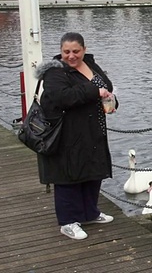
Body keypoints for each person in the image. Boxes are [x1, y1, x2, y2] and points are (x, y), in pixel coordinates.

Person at [35, 32, 118, 240]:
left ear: (84, 49)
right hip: (66, 133)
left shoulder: (91, 64)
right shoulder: (55, 72)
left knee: (92, 171)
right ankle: (67, 221)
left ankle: (89, 213)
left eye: (76, 51)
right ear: (61, 51)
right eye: (66, 52)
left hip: (93, 129)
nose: (71, 56)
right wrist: (95, 92)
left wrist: (111, 101)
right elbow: (64, 97)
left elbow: (106, 86)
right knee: (68, 175)